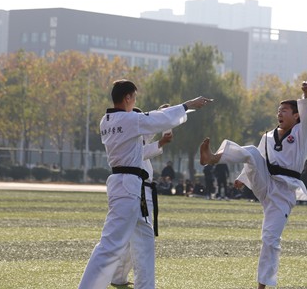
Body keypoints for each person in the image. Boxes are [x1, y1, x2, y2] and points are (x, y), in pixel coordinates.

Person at [78, 79, 212, 289]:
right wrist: (187, 105)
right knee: (110, 245)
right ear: (127, 98)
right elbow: (155, 121)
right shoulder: (128, 120)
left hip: (130, 185)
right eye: (134, 97)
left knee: (144, 239)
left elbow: (142, 139)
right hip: (127, 184)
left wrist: (160, 126)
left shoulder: (107, 120)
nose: (135, 101)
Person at [199, 80, 307, 289]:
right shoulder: (268, 137)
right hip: (265, 182)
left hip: (284, 192)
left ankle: (262, 285)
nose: (279, 114)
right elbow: (256, 158)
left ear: (297, 115)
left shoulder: (302, 133)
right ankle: (213, 158)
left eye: (285, 111)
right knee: (252, 151)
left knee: (270, 239)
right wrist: (243, 178)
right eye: (278, 111)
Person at [111, 106, 173, 288]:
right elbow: (140, 153)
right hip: (138, 191)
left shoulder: (135, 135)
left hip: (138, 189)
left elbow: (150, 129)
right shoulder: (130, 140)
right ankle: (143, 284)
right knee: (142, 241)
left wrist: (162, 113)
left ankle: (118, 277)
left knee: (130, 237)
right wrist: (161, 143)